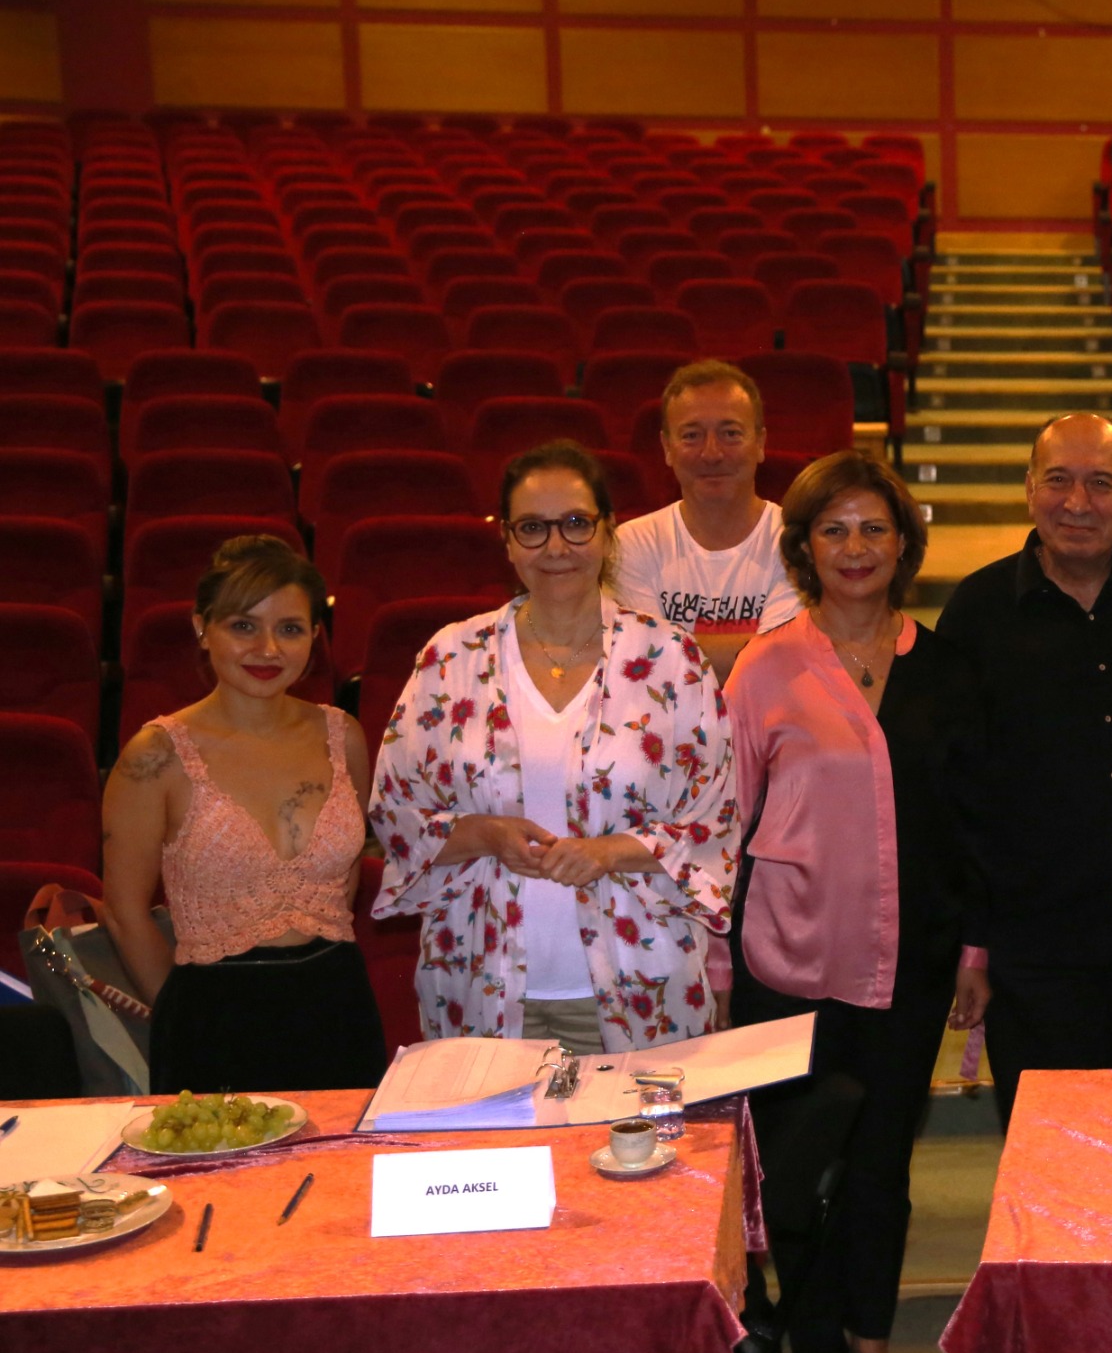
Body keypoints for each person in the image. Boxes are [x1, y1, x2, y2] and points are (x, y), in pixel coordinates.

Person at [720, 451, 990, 1353]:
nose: (855, 548)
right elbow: (728, 818)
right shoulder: (766, 665)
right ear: (803, 548)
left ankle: (873, 1342)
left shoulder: (947, 665)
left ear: (903, 544)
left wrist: (975, 944)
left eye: (873, 528)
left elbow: (970, 821)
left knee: (883, 1165)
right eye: (833, 530)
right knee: (799, 1175)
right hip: (787, 960)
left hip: (912, 960)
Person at [369, 441, 738, 1051]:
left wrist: (609, 851)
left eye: (575, 524)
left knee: (641, 1150)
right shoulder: (450, 658)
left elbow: (716, 822)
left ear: (608, 531)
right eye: (533, 529)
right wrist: (486, 834)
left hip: (640, 986)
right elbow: (395, 816)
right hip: (478, 984)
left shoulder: (673, 659)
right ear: (508, 542)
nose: (557, 547)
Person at [936, 413, 1112, 1126]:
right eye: (1059, 481)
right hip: (1036, 948)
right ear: (1029, 489)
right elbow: (957, 792)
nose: (1078, 502)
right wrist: (972, 943)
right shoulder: (976, 611)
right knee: (1051, 1158)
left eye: (1101, 483)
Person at [98, 535, 387, 1094]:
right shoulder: (155, 755)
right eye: (244, 626)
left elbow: (345, 877)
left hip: (336, 1006)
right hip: (210, 1019)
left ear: (315, 637)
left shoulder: (343, 736)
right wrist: (183, 1012)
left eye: (290, 629)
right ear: (202, 627)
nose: (269, 649)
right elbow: (124, 914)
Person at [612, 360, 803, 681]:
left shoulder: (797, 539)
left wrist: (669, 649)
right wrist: (755, 648)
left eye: (731, 433)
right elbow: (643, 664)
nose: (711, 453)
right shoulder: (630, 544)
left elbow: (780, 664)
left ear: (760, 443)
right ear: (667, 447)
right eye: (691, 436)